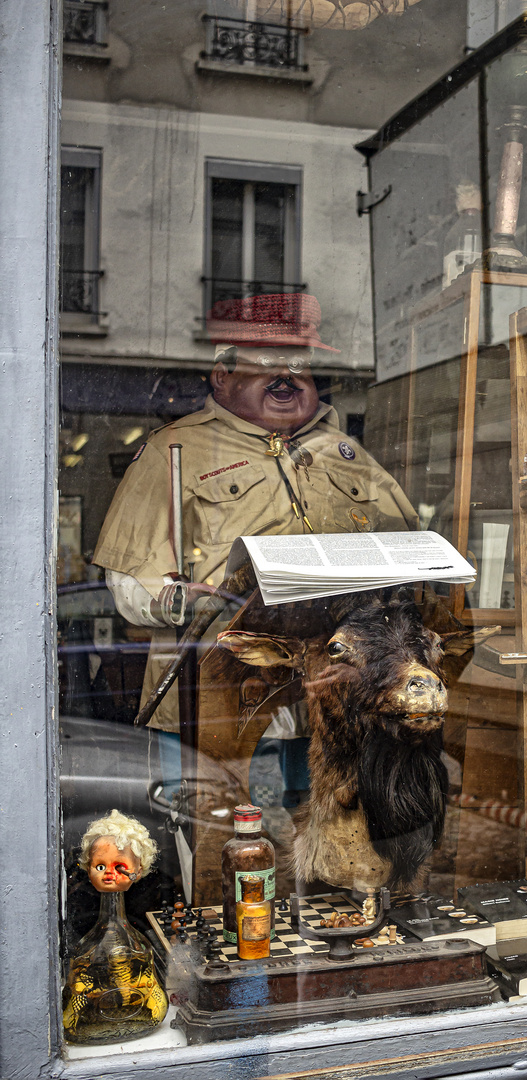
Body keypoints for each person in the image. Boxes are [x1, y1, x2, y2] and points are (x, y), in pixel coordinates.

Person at [93, 293, 418, 795]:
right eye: (267, 365)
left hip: (332, 691)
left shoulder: (347, 455)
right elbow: (129, 581)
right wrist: (184, 599)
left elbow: (408, 553)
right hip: (217, 693)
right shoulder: (173, 451)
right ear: (221, 374)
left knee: (328, 835)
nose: (287, 377)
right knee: (216, 841)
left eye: (299, 366)